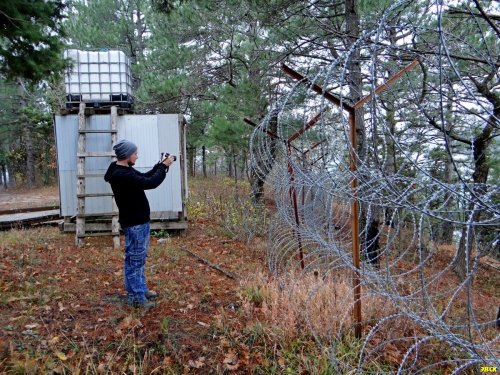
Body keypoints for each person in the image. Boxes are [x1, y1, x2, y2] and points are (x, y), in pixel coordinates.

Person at [104, 139, 176, 309]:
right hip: (135, 223)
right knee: (135, 260)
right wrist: (164, 167)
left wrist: (160, 165)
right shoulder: (121, 174)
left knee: (138, 258)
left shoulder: (123, 169)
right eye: (135, 153)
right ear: (127, 155)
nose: (137, 156)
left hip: (138, 221)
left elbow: (143, 177)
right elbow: (150, 183)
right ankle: (136, 298)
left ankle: (140, 290)